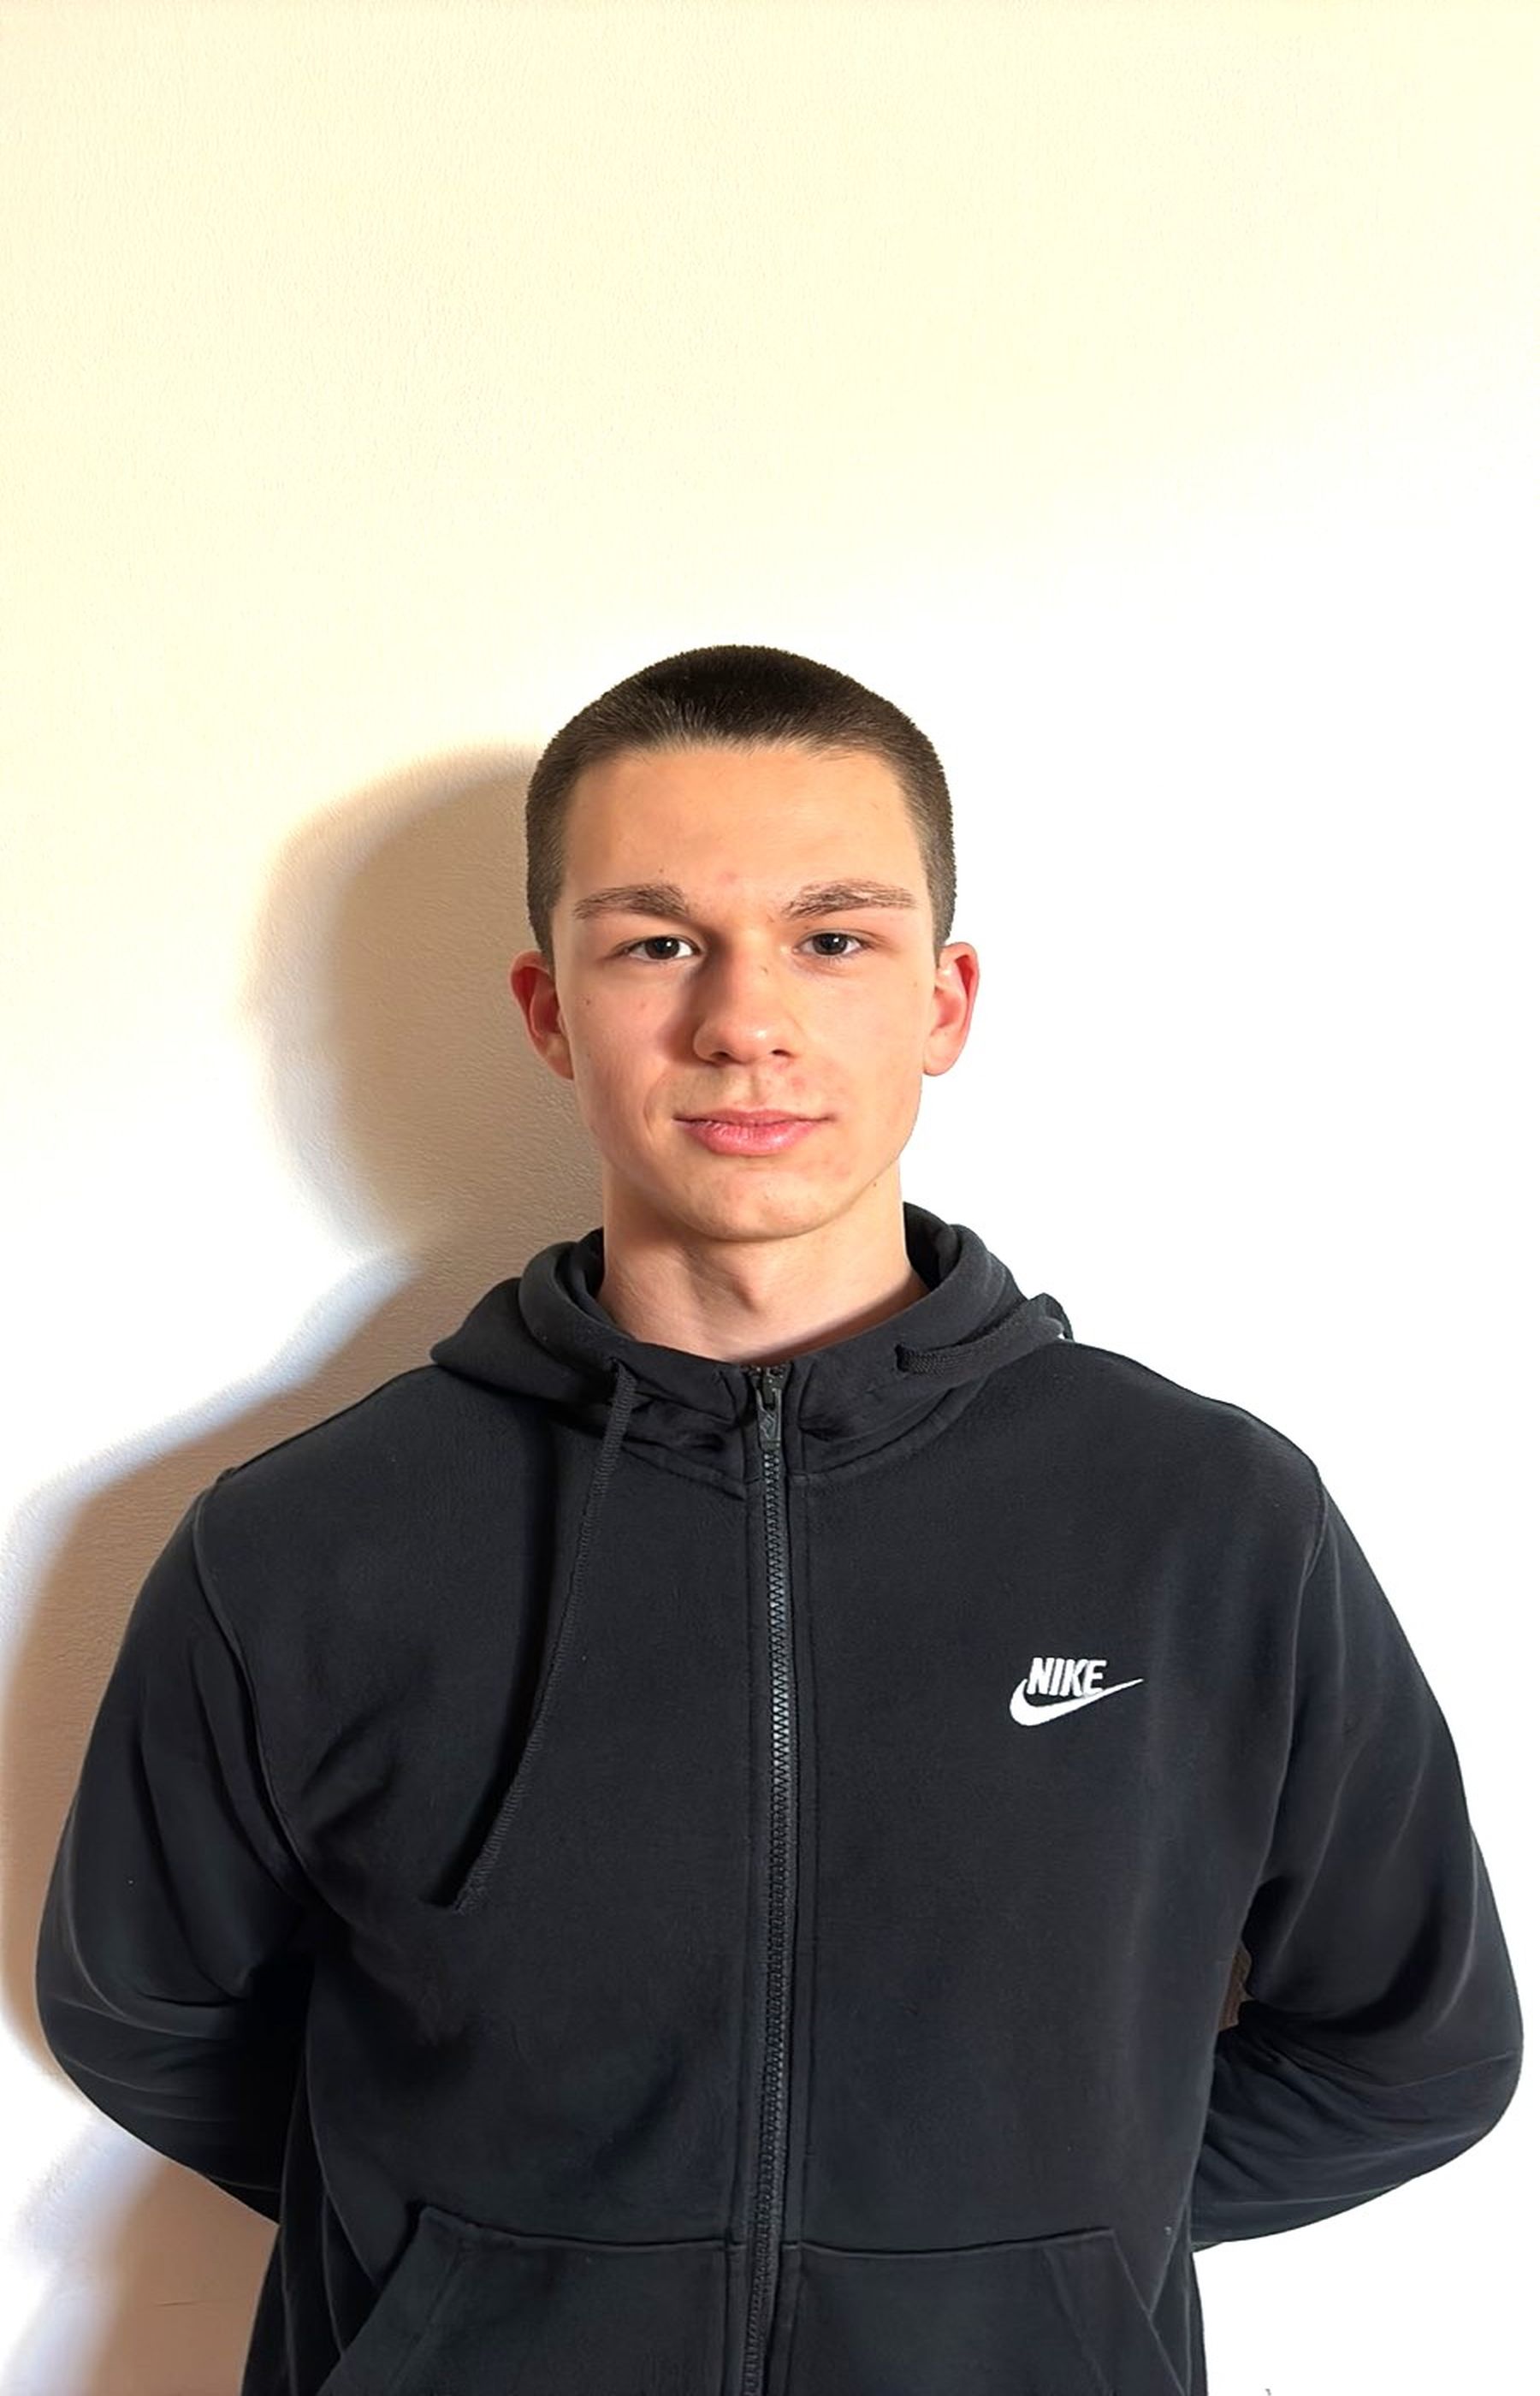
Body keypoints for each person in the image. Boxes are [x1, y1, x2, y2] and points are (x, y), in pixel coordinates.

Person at [34, 644, 1523, 2396]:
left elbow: (1412, 2049)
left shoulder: (1209, 1521)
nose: (746, 1020)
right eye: (658, 944)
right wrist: (462, 2268)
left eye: (834, 938)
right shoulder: (303, 1543)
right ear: (549, 1010)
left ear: (945, 1002)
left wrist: (1034, 2251)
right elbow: (141, 2013)